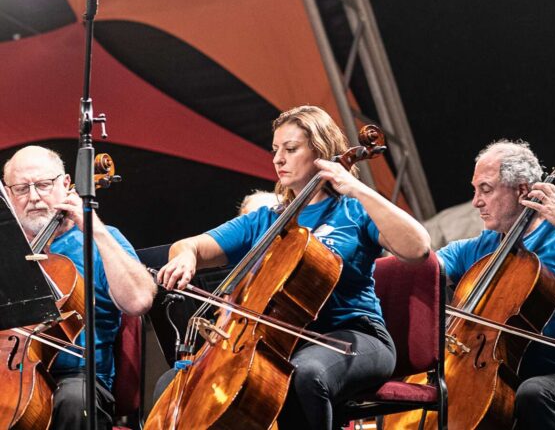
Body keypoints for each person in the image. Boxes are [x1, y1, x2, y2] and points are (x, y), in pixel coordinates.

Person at [155, 105, 432, 429]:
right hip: (282, 343)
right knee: (173, 385)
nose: (278, 159)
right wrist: (186, 256)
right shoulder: (267, 220)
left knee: (304, 375)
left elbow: (418, 249)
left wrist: (355, 187)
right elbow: (192, 245)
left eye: (290, 149)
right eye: (275, 150)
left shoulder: (354, 211)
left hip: (354, 336)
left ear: (321, 151)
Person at [436, 139, 555, 429]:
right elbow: (424, 270)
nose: (476, 201)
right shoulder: (479, 248)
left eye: (485, 189)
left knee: (532, 394)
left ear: (522, 190)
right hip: (493, 377)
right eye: (475, 190)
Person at [2, 145, 156, 427]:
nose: (34, 197)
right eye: (22, 189)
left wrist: (93, 227)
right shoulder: (6, 249)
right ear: (8, 195)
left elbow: (140, 301)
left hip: (78, 378)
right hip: (10, 372)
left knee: (73, 402)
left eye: (44, 185)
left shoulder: (101, 241)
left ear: (66, 185)